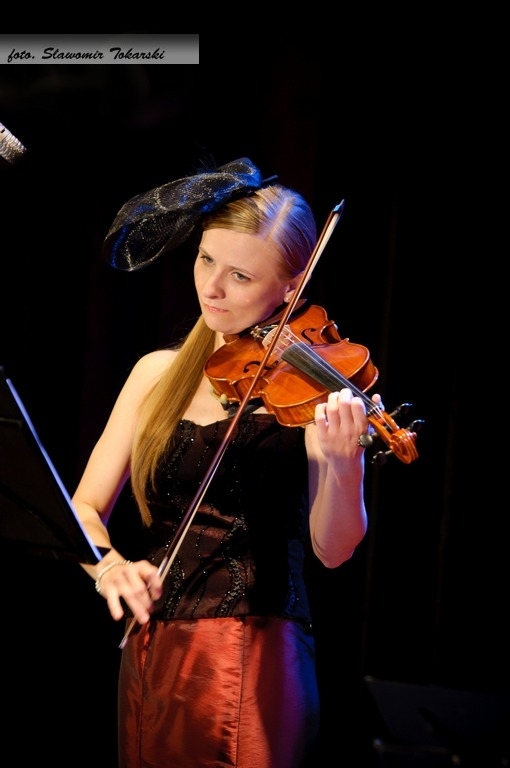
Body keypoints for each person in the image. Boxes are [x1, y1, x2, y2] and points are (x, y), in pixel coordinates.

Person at [72, 157, 380, 768]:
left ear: (291, 287)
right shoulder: (156, 374)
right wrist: (109, 568)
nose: (211, 288)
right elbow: (82, 508)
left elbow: (333, 549)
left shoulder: (312, 391)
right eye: (206, 260)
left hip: (253, 658)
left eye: (240, 275)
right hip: (150, 653)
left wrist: (344, 465)